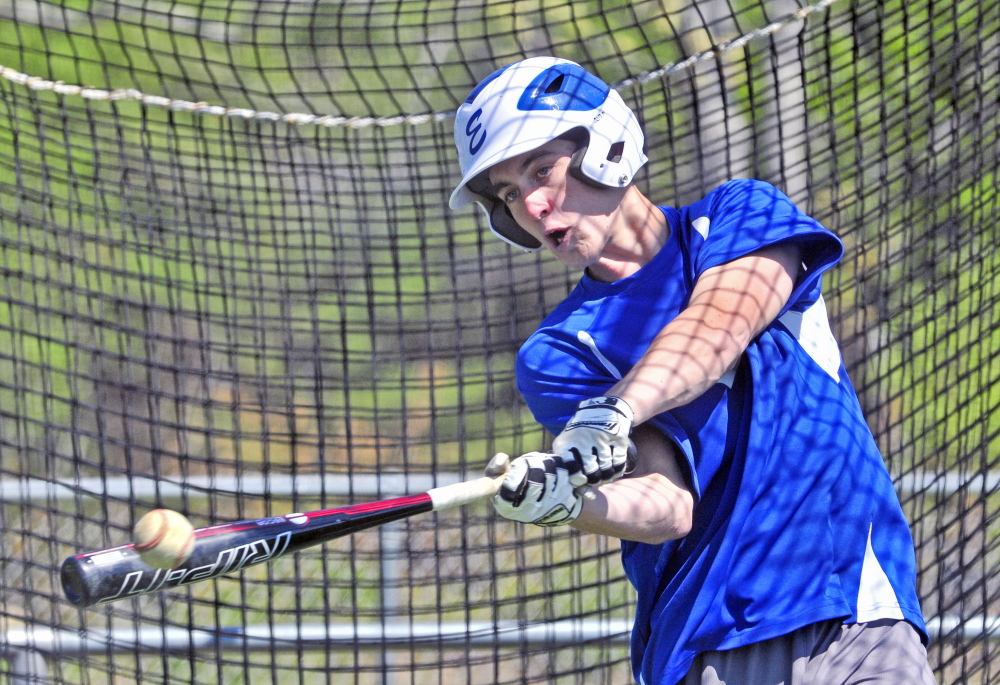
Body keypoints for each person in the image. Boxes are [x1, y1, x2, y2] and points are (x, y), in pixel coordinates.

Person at [448, 57, 935, 685]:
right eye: (510, 194)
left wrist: (614, 411)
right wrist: (570, 500)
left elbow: (719, 326)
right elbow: (667, 504)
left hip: (850, 607)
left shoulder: (739, 214)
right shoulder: (557, 351)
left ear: (607, 144)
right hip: (700, 647)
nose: (533, 205)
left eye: (543, 170)